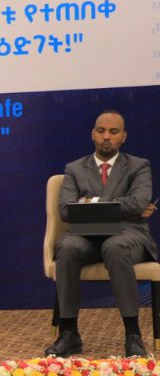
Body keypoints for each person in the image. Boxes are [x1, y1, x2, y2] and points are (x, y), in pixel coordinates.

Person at [48, 110, 157, 358]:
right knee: (68, 246)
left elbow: (140, 201)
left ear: (123, 136)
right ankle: (69, 333)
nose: (106, 136)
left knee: (114, 246)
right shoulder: (75, 168)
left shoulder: (139, 166)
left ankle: (133, 335)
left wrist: (88, 202)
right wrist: (120, 205)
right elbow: (65, 210)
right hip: (85, 236)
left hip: (128, 235)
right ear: (92, 134)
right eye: (101, 131)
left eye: (113, 131)